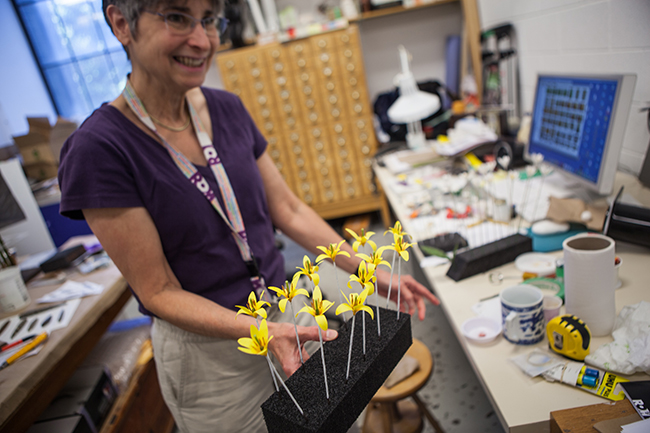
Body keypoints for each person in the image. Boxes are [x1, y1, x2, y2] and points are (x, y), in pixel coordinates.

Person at [58, 0, 440, 431]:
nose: (201, 40)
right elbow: (158, 290)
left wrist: (368, 270)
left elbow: (289, 210)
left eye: (209, 20)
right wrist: (260, 330)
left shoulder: (226, 109)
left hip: (287, 316)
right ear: (122, 23)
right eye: (178, 17)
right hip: (211, 357)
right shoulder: (101, 149)